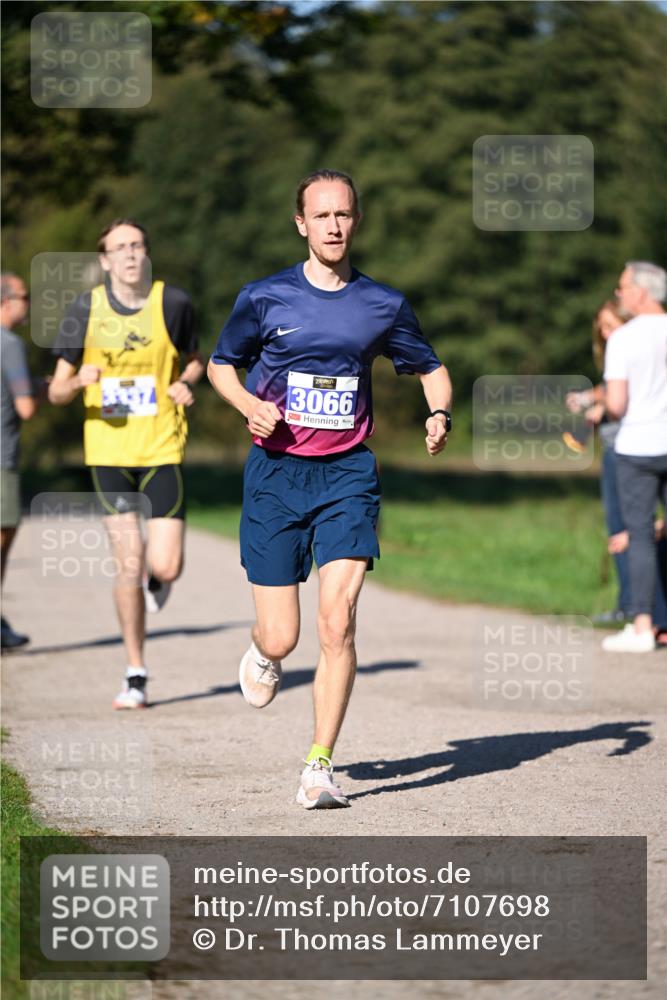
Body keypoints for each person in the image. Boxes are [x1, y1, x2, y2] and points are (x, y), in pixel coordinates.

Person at [208, 170, 452, 809]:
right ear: (301, 225)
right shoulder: (263, 298)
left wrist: (439, 414)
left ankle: (319, 765)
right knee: (284, 636)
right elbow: (220, 365)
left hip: (347, 474)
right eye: (321, 216)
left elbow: (430, 366)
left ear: (356, 221)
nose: (334, 226)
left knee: (337, 620)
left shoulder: (383, 304)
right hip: (276, 475)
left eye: (343, 215)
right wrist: (245, 408)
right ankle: (264, 652)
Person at [49, 220, 205, 704]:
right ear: (105, 260)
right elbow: (55, 391)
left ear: (146, 253)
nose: (131, 254)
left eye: (137, 245)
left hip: (161, 446)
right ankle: (135, 671)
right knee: (128, 563)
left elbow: (197, 358)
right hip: (109, 453)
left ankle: (158, 578)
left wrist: (187, 382)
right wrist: (78, 381)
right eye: (120, 248)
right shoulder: (85, 309)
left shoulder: (173, 303)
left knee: (167, 565)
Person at [602, 261, 667, 653]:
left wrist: (606, 409)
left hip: (638, 448)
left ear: (641, 292)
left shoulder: (624, 338)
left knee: (640, 537)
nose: (618, 293)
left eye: (623, 287)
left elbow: (617, 404)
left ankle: (642, 627)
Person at [1, 273, 37, 649]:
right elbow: (25, 407)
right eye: (24, 296)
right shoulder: (9, 344)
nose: (28, 304)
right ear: (6, 301)